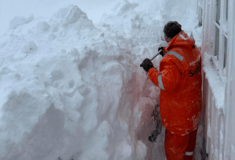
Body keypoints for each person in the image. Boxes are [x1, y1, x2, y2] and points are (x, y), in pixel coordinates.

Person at [140, 21, 202, 160]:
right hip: (192, 110)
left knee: (175, 152)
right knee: (188, 148)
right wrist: (168, 52)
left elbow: (165, 82)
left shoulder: (172, 59)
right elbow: (182, 63)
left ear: (168, 37)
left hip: (178, 117)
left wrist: (150, 69)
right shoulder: (191, 47)